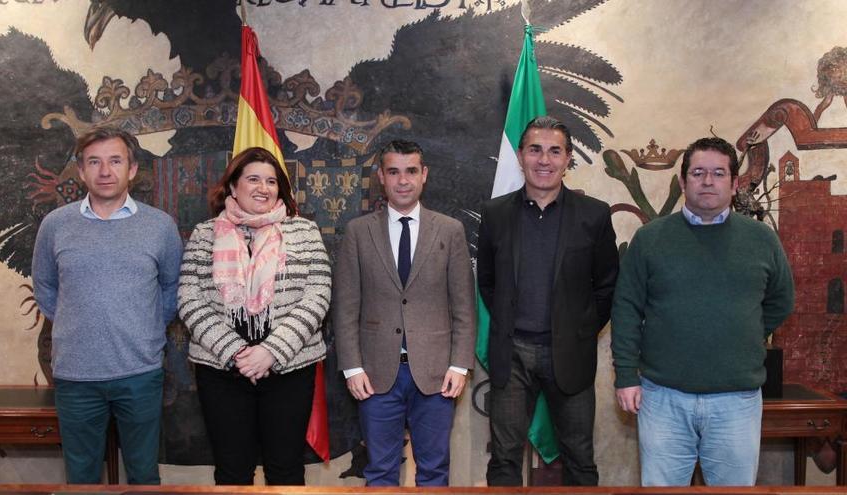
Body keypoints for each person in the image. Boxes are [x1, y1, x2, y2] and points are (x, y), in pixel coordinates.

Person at [611, 136, 795, 486]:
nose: (707, 181)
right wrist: (626, 376)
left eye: (718, 173)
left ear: (734, 182)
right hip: (662, 398)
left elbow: (781, 301)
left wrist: (740, 331)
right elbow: (626, 309)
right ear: (683, 182)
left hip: (736, 401)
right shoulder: (650, 239)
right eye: (698, 173)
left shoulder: (762, 239)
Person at [31, 127, 183, 484]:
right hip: (76, 376)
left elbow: (171, 287)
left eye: (115, 161)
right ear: (81, 171)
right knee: (81, 476)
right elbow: (46, 288)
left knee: (144, 475)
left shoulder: (160, 226)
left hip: (140, 372)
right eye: (94, 162)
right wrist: (78, 325)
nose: (104, 171)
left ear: (131, 169)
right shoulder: (55, 225)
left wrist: (143, 331)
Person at [477, 116, 619, 486]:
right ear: (521, 156)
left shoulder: (594, 215)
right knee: (504, 460)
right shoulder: (495, 214)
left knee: (580, 460)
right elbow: (488, 283)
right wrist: (511, 322)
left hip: (568, 354)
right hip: (513, 354)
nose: (544, 159)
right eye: (535, 150)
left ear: (568, 158)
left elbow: (607, 286)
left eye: (555, 151)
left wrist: (580, 329)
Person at [177, 147, 330, 485]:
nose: (263, 187)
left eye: (272, 181)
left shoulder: (304, 233)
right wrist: (236, 351)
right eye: (254, 179)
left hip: (290, 369)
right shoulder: (205, 235)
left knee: (286, 470)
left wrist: (270, 351)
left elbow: (317, 296)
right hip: (222, 371)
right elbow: (189, 298)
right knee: (232, 472)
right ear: (232, 186)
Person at [333, 140, 476, 486]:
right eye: (393, 172)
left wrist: (459, 365)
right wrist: (352, 368)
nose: (403, 180)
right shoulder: (358, 231)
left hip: (437, 374)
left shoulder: (450, 230)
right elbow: (346, 306)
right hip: (376, 374)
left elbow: (463, 307)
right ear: (381, 177)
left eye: (411, 171)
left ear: (423, 175)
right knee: (380, 471)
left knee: (435, 471)